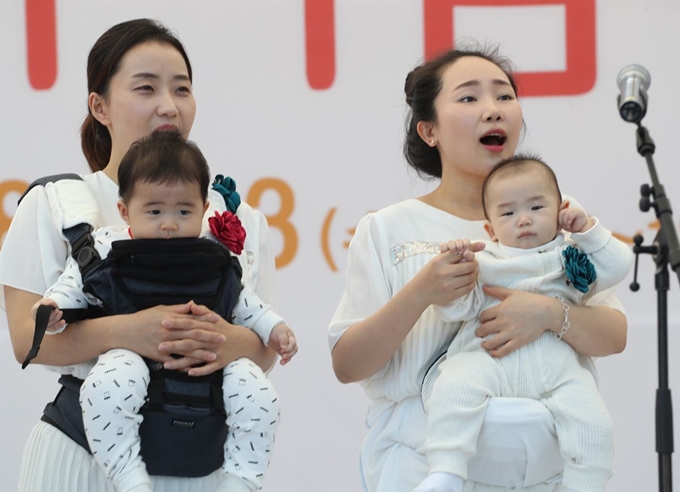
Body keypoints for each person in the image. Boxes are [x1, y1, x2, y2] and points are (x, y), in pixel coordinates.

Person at [328, 46, 628, 492]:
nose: (493, 110)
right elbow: (348, 364)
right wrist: (421, 292)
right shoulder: (387, 227)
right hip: (422, 462)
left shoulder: (553, 220)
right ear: (429, 130)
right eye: (469, 98)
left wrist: (547, 314)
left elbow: (615, 335)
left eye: (505, 97)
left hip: (544, 470)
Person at [0, 18, 282, 491]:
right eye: (146, 89)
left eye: (182, 89)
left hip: (202, 462)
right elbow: (27, 340)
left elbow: (263, 346)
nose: (168, 107)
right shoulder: (55, 204)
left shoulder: (241, 219)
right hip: (80, 457)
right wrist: (134, 332)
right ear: (100, 106)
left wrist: (217, 341)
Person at [29, 130, 298, 492]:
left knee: (258, 391)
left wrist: (274, 328)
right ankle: (128, 476)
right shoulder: (107, 244)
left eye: (183, 211)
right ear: (125, 210)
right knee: (108, 383)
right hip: (127, 357)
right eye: (154, 211)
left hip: (212, 374)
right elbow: (72, 285)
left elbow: (244, 301)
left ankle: (242, 479)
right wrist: (54, 307)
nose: (169, 223)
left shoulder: (214, 252)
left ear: (204, 209)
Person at [415, 155, 633, 492]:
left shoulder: (571, 255)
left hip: (558, 368)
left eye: (536, 207)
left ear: (560, 211)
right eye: (507, 213)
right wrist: (454, 263)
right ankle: (446, 471)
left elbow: (618, 266)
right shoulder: (483, 258)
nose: (524, 220)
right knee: (453, 387)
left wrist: (588, 229)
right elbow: (456, 309)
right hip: (488, 357)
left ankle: (585, 485)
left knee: (594, 424)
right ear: (489, 229)